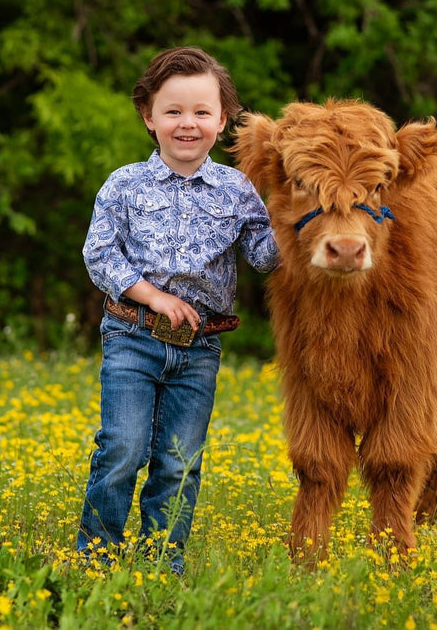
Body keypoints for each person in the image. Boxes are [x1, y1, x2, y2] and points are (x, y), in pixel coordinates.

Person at [77, 46, 279, 575]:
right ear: (149, 116)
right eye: (173, 112)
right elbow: (99, 254)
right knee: (123, 447)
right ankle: (96, 557)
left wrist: (305, 216)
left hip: (199, 350)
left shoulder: (238, 191)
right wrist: (153, 295)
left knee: (179, 462)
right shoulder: (124, 184)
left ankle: (162, 561)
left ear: (223, 119)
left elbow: (263, 255)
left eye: (201, 112)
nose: (187, 124)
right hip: (132, 336)